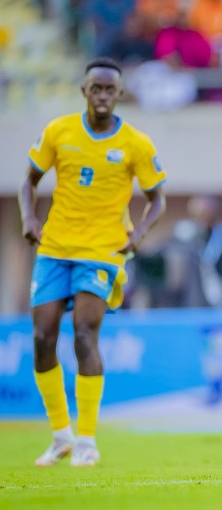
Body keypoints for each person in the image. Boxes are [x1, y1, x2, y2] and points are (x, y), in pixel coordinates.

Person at [19, 58, 167, 466]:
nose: (102, 96)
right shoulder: (58, 131)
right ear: (83, 91)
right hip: (55, 248)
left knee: (84, 333)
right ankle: (60, 435)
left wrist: (138, 233)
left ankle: (87, 439)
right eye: (95, 88)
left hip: (103, 250)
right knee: (42, 338)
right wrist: (29, 217)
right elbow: (28, 182)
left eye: (110, 90)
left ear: (119, 94)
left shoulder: (136, 144)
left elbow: (158, 198)